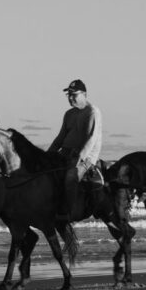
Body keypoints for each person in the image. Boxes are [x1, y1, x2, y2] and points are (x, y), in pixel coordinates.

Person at [48, 79, 102, 222]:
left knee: (71, 176)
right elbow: (60, 138)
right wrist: (46, 156)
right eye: (69, 95)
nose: (70, 98)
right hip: (65, 153)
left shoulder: (92, 112)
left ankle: (67, 212)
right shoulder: (69, 114)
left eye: (74, 94)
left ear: (84, 94)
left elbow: (91, 139)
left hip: (86, 158)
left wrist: (79, 158)